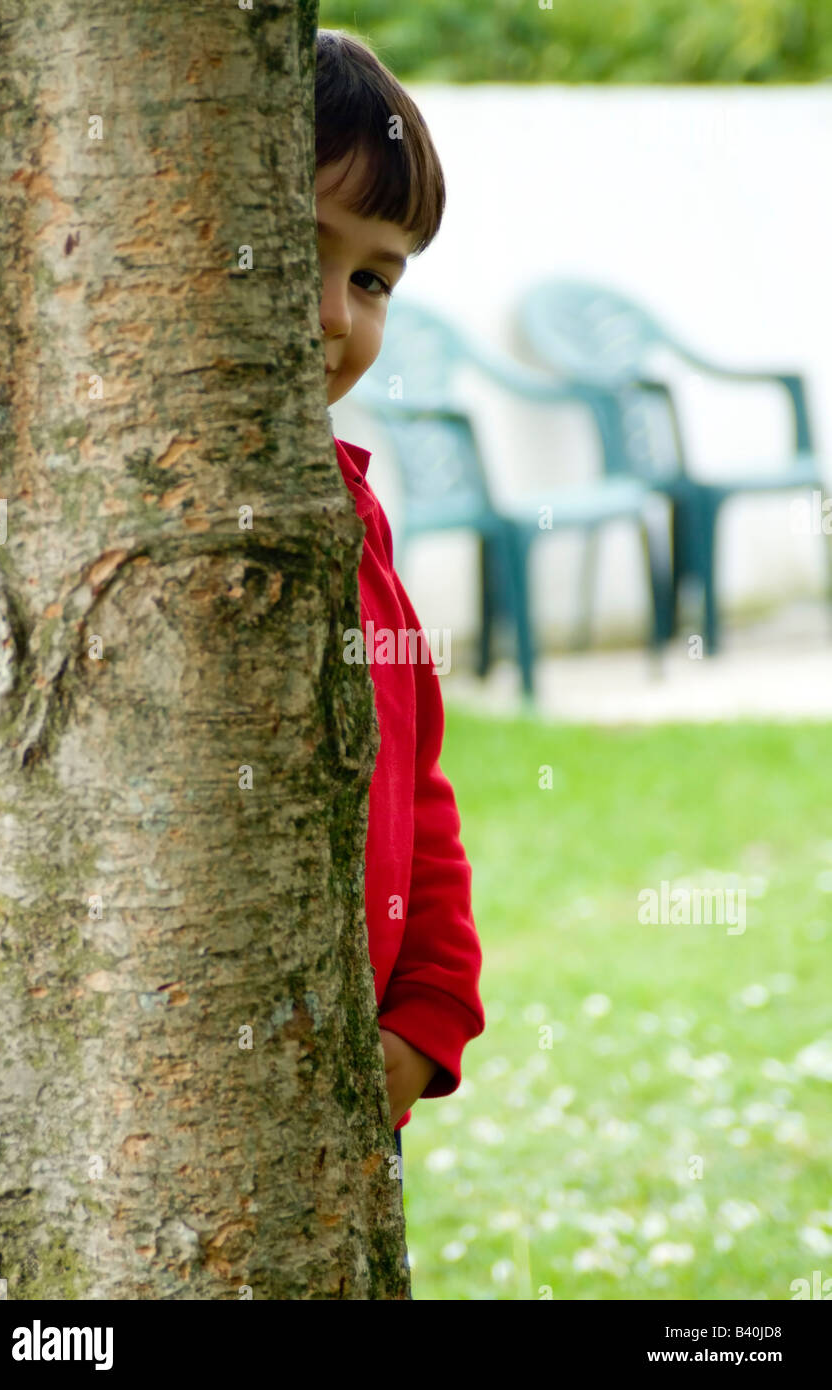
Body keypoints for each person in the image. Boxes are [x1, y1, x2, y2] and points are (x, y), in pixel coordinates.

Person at [315, 31, 486, 1192]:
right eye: (294, 251)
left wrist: (423, 1024)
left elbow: (419, 785)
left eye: (373, 280)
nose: (336, 316)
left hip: (351, 1110)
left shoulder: (358, 531)